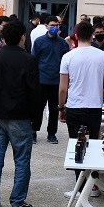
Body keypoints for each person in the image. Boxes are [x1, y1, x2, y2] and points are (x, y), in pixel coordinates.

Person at [0, 19, 38, 207]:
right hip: (20, 115)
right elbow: (34, 92)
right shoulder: (28, 59)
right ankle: (17, 200)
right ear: (23, 37)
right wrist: (35, 119)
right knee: (22, 159)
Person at [59, 20, 104, 193]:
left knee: (77, 145)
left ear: (75, 35)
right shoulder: (102, 55)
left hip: (74, 106)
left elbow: (62, 88)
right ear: (92, 35)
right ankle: (94, 184)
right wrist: (99, 97)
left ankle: (80, 186)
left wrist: (61, 107)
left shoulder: (68, 56)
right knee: (94, 145)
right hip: (94, 107)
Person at [32, 15, 69, 144]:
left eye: (56, 25)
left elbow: (66, 60)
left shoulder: (62, 42)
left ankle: (52, 133)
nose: (54, 28)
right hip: (42, 80)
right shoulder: (39, 41)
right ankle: (34, 131)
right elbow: (34, 60)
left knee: (54, 109)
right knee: (37, 108)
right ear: (46, 26)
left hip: (56, 81)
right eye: (52, 25)